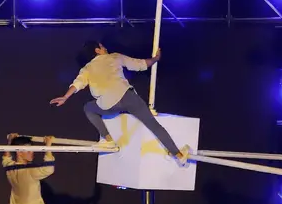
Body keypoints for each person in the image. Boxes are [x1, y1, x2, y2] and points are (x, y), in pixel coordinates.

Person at [49, 40, 190, 165]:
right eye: (102, 47)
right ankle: (178, 154)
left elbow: (77, 84)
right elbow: (139, 64)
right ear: (97, 50)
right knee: (154, 125)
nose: (105, 48)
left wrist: (65, 97)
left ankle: (108, 138)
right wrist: (155, 59)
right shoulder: (114, 57)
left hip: (109, 104)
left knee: (88, 108)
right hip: (128, 97)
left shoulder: (86, 69)